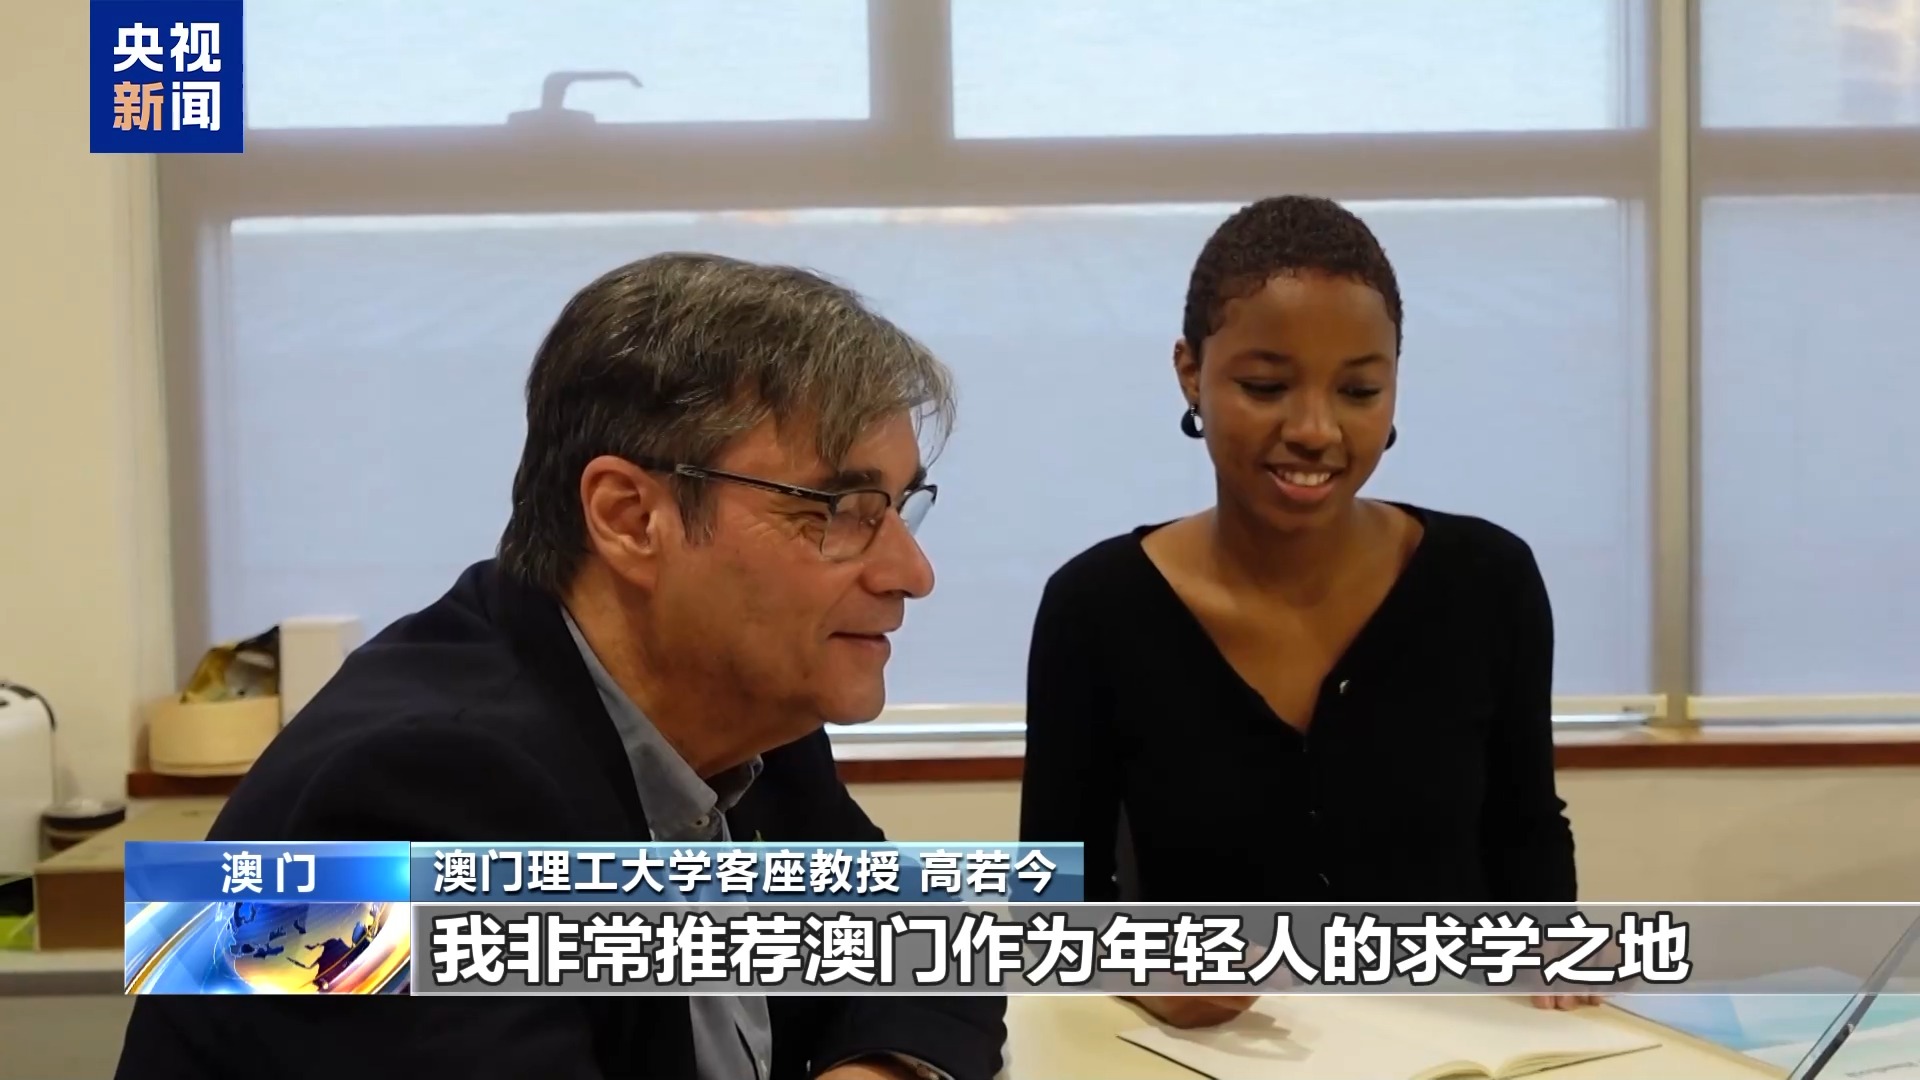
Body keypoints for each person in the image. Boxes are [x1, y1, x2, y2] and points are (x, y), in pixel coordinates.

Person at [117, 253, 1005, 1080]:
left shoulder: (745, 715)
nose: (910, 573)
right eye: (841, 509)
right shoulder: (406, 796)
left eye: (899, 508)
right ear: (628, 518)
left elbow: (936, 940)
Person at [1017, 195, 1593, 1029]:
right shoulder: (1096, 606)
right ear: (1190, 372)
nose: (1317, 430)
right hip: (1211, 1055)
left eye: (1360, 389)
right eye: (1266, 386)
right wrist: (1147, 976)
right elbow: (1052, 901)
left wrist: (1555, 957)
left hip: (1460, 1045)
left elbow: (1526, 826)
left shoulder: (1489, 578)